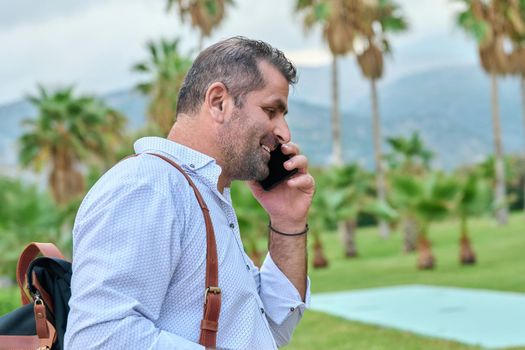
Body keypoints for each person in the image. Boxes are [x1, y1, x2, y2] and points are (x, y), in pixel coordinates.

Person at [64, 36, 315, 349]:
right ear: (218, 102)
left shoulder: (203, 194)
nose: (284, 133)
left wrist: (287, 222)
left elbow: (266, 330)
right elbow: (100, 339)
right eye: (271, 110)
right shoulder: (147, 186)